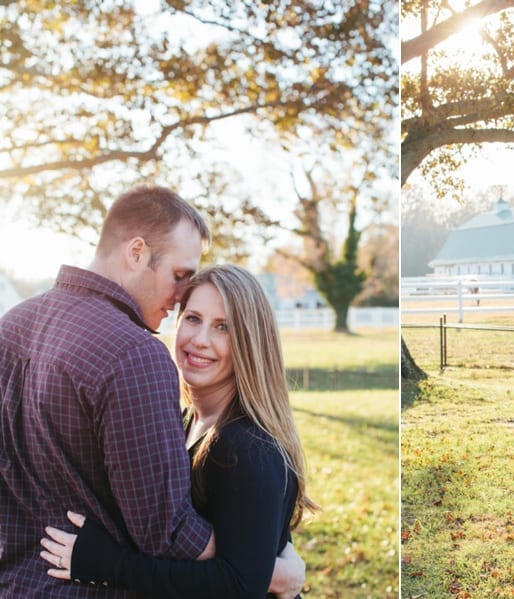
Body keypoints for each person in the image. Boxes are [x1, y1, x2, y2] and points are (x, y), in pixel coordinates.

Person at [0, 186, 303, 597]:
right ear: (137, 252)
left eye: (223, 326)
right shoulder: (134, 354)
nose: (179, 296)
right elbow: (168, 532)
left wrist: (248, 566)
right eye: (180, 277)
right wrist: (266, 570)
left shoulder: (11, 326)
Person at [40, 264, 319, 598]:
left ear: (250, 343)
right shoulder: (184, 422)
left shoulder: (246, 447)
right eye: (193, 318)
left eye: (223, 327)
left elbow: (241, 585)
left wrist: (110, 564)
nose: (200, 340)